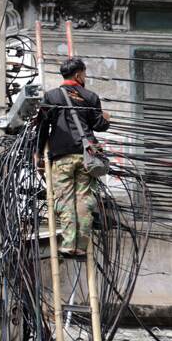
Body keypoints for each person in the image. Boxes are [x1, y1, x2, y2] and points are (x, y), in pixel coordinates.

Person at [35, 57, 111, 257]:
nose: (85, 77)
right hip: (87, 156)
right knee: (84, 201)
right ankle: (81, 247)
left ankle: (69, 245)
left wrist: (37, 154)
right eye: (84, 74)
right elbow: (99, 125)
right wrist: (106, 119)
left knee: (65, 200)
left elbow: (42, 127)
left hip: (61, 157)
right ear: (78, 74)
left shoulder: (51, 96)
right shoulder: (90, 96)